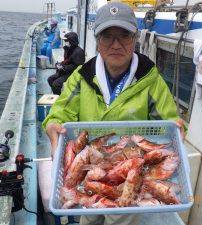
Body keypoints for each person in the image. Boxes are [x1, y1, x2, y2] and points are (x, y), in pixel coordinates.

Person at [43, 2, 182, 225]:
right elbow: (61, 112)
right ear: (97, 41)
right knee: (89, 215)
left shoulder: (151, 79)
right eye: (107, 36)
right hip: (89, 171)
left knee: (120, 218)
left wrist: (176, 126)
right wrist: (53, 125)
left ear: (134, 39)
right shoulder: (81, 77)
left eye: (124, 35)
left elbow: (166, 123)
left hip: (130, 170)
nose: (116, 44)